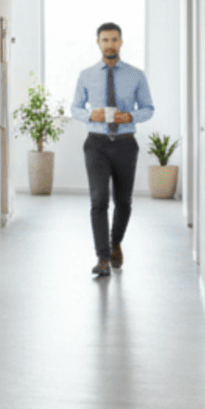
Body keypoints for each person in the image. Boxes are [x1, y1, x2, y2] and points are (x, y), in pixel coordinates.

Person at [72, 21, 154, 278]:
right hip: (96, 144)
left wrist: (129, 117)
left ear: (121, 42)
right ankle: (103, 258)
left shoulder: (136, 75)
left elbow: (148, 108)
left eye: (114, 39)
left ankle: (115, 241)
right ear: (98, 43)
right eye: (105, 40)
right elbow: (74, 107)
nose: (110, 44)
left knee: (124, 201)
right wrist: (89, 115)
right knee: (98, 201)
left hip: (126, 144)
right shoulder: (86, 75)